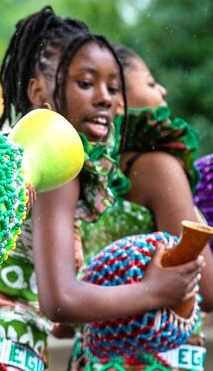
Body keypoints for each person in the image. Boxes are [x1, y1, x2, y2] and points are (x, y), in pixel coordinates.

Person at [0, 6, 204, 371]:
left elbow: (50, 307)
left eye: (114, 88)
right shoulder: (56, 166)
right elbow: (61, 299)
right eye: (85, 83)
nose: (106, 98)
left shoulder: (16, 159)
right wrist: (155, 291)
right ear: (39, 92)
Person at [65, 44, 212, 370]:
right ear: (121, 99)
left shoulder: (88, 174)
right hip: (154, 358)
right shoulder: (159, 167)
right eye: (149, 82)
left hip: (93, 356)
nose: (162, 90)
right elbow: (208, 287)